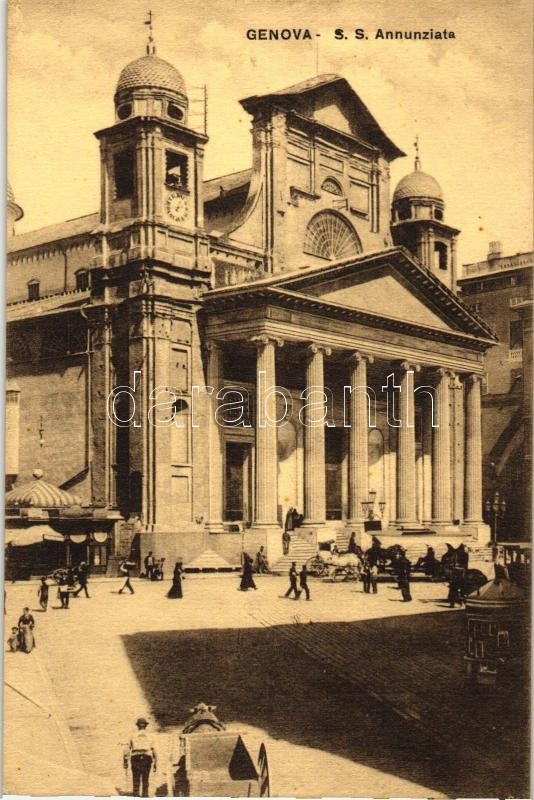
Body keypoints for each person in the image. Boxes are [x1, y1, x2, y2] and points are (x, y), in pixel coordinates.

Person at [123, 717, 157, 798]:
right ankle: (145, 795)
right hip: (146, 757)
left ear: (137, 726)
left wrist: (125, 761)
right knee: (146, 778)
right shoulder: (151, 736)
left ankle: (136, 795)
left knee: (136, 778)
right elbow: (154, 749)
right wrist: (156, 762)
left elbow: (126, 749)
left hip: (135, 757)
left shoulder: (132, 735)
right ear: (145, 726)